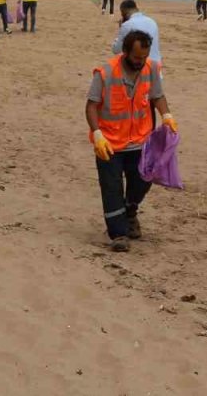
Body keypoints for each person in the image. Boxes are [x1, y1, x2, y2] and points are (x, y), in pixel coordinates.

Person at [84, 30, 177, 252]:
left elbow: (157, 96)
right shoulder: (105, 73)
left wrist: (167, 116)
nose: (140, 62)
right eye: (136, 58)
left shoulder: (151, 69)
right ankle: (119, 234)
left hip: (140, 141)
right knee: (111, 186)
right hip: (109, 142)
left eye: (144, 57)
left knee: (143, 180)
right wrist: (96, 133)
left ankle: (130, 211)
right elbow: (91, 106)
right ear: (125, 52)